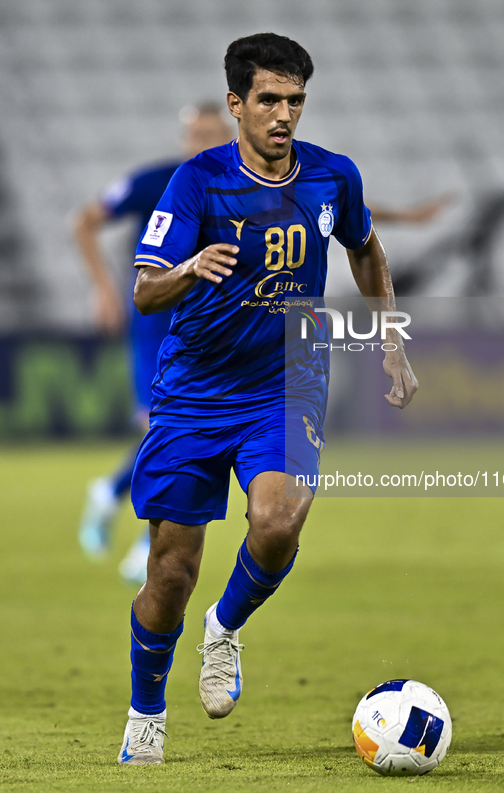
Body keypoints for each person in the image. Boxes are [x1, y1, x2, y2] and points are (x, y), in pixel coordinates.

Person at [117, 32, 418, 765]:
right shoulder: (195, 182)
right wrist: (190, 266)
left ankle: (223, 628)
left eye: (295, 101)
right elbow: (146, 289)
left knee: (278, 520)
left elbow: (365, 248)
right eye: (269, 100)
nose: (283, 115)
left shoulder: (331, 176)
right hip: (193, 392)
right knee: (169, 572)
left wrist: (388, 338)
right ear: (236, 105)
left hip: (287, 379)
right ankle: (146, 710)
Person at [74, 104, 233, 584]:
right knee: (163, 427)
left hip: (211, 329)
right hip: (155, 324)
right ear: (185, 138)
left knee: (197, 433)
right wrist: (103, 288)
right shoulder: (159, 181)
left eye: (212, 134)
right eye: (196, 134)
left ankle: (113, 493)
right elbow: (84, 222)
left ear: (229, 133)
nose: (202, 142)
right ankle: (144, 533)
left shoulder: (246, 187)